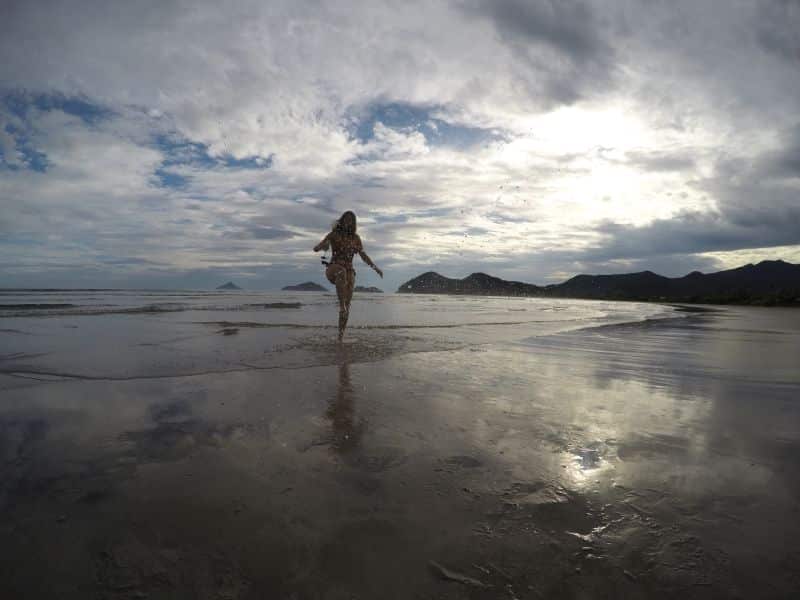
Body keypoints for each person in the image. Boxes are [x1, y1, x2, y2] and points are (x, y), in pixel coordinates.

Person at [313, 210, 383, 340]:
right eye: (346, 219)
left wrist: (375, 268)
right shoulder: (334, 234)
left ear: (354, 223)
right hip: (333, 268)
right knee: (342, 272)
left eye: (351, 220)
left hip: (349, 271)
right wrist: (323, 246)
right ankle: (341, 306)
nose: (348, 222)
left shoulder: (355, 238)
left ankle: (340, 337)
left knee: (348, 303)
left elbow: (363, 255)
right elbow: (316, 247)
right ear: (342, 220)